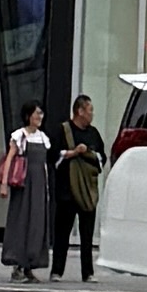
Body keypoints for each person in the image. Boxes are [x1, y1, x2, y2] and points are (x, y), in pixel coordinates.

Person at [0, 102, 56, 281]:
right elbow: (10, 158)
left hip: (38, 185)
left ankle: (30, 264)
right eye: (37, 114)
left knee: (36, 224)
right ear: (28, 115)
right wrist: (4, 183)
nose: (39, 117)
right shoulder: (19, 136)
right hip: (24, 186)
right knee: (21, 222)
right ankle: (17, 265)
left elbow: (45, 165)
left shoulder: (43, 137)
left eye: (41, 114)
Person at [52, 92, 107, 280]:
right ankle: (57, 270)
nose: (92, 114)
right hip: (66, 191)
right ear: (80, 111)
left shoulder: (93, 133)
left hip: (87, 191)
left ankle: (88, 272)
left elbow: (102, 159)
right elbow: (53, 157)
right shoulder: (63, 130)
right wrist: (73, 153)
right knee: (62, 233)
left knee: (86, 235)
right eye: (90, 110)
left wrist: (88, 153)